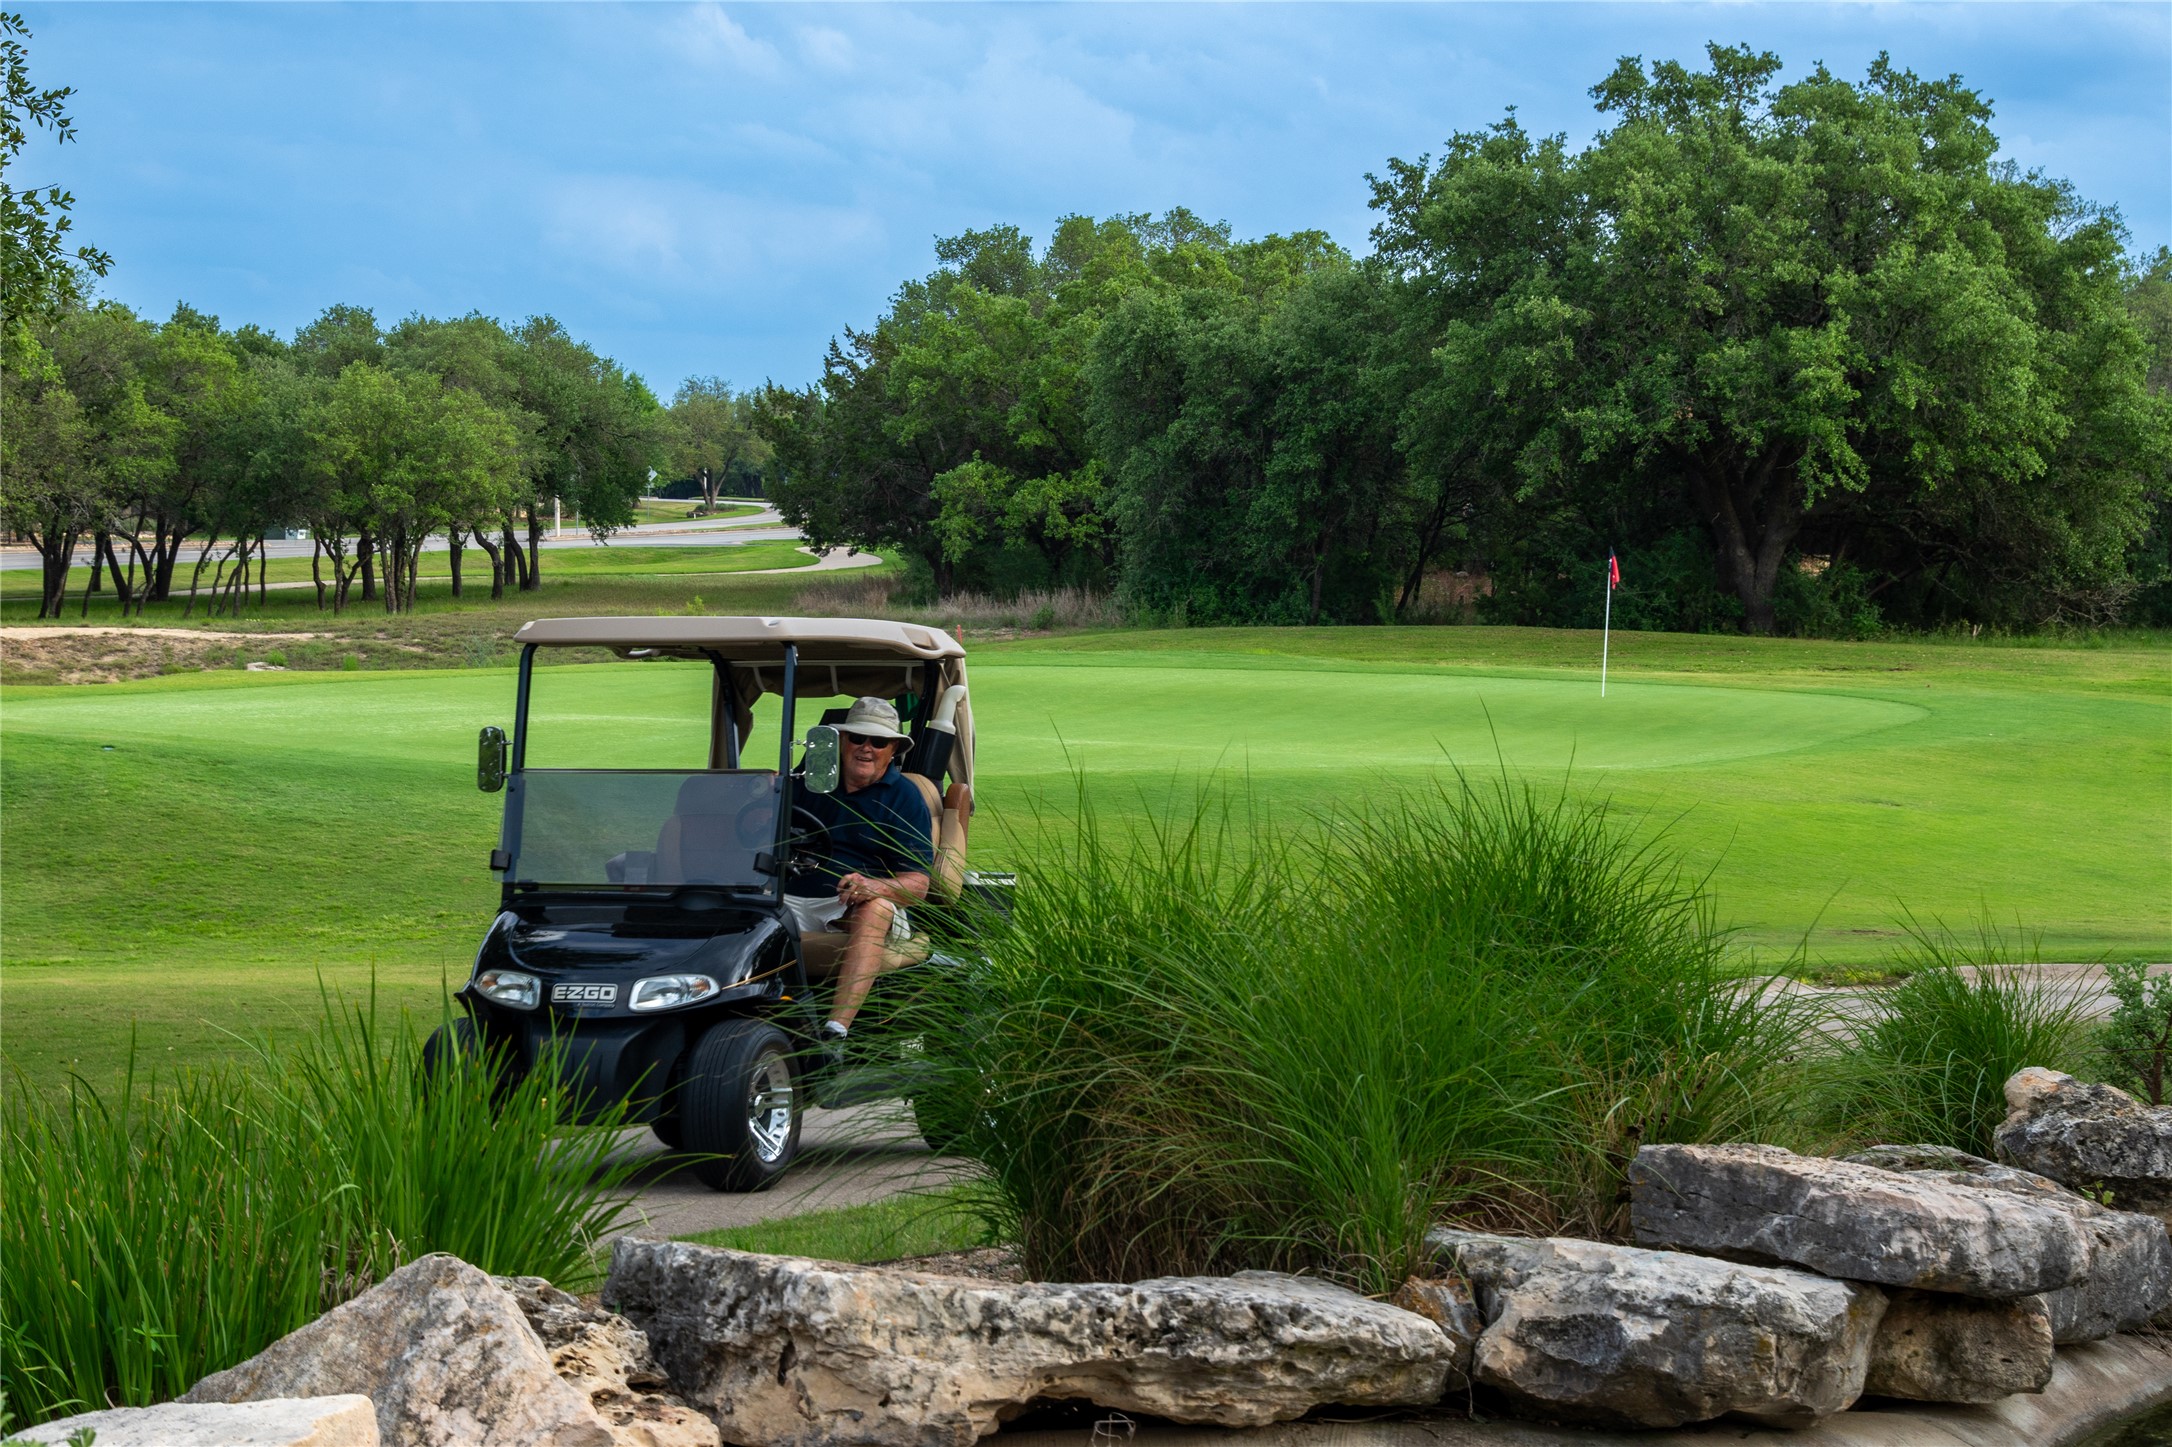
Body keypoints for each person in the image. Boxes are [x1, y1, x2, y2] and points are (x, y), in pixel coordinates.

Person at [786, 696, 933, 1047]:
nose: (866, 748)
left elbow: (919, 884)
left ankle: (835, 1031)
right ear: (841, 741)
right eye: (858, 738)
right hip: (792, 893)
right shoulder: (806, 784)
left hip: (851, 904)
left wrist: (874, 887)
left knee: (877, 906)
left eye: (878, 742)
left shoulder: (905, 797)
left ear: (893, 749)